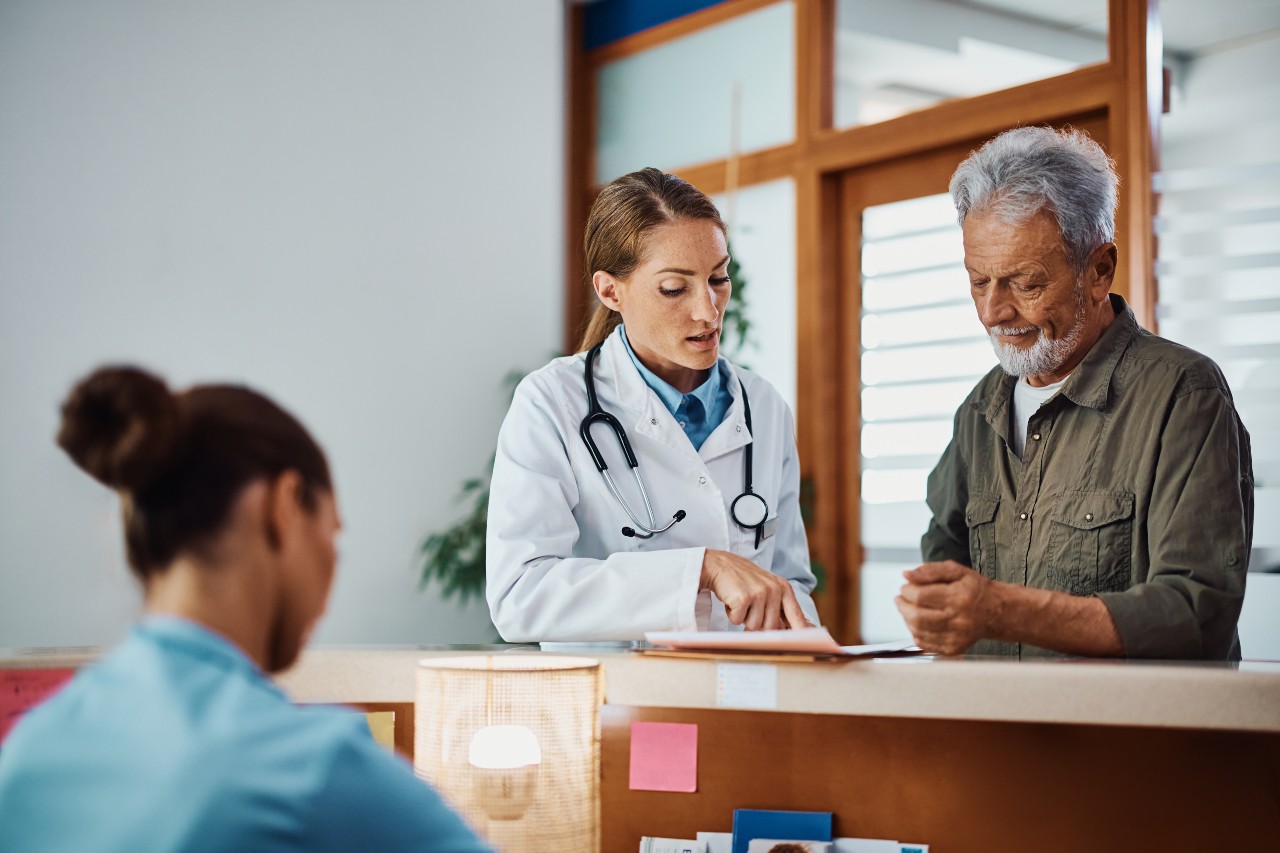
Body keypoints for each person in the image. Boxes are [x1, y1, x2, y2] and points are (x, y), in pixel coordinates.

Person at [0, 367, 491, 852]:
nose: (331, 576)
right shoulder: (313, 768)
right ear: (285, 505)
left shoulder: (29, 754)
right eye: (333, 537)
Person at [896, 126, 1254, 660]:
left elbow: (1195, 615)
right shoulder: (978, 410)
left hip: (1122, 741)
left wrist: (1004, 611)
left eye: (1025, 282)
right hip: (996, 737)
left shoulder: (1183, 395)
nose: (994, 312)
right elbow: (945, 566)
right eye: (978, 281)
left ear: (1098, 270)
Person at [487, 167, 819, 641]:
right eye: (673, 289)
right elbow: (521, 596)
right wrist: (700, 570)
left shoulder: (762, 405)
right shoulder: (551, 403)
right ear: (610, 291)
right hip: (619, 699)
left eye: (719, 278)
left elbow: (790, 581)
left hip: (744, 697)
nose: (708, 311)